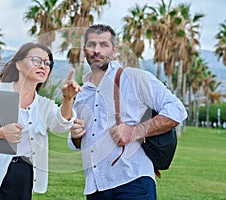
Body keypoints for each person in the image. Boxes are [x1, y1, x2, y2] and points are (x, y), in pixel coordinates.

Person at [68, 24, 187, 199]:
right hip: (95, 187)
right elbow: (77, 143)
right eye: (91, 45)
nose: (96, 50)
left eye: (103, 45)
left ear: (114, 51)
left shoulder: (134, 78)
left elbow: (177, 109)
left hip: (133, 182)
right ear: (84, 50)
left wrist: (135, 131)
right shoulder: (82, 94)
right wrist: (75, 135)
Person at [0, 42, 81, 200]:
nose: (43, 65)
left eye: (48, 63)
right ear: (19, 64)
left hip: (23, 175)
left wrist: (67, 99)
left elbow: (61, 125)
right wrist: (1, 132)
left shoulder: (43, 105)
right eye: (36, 60)